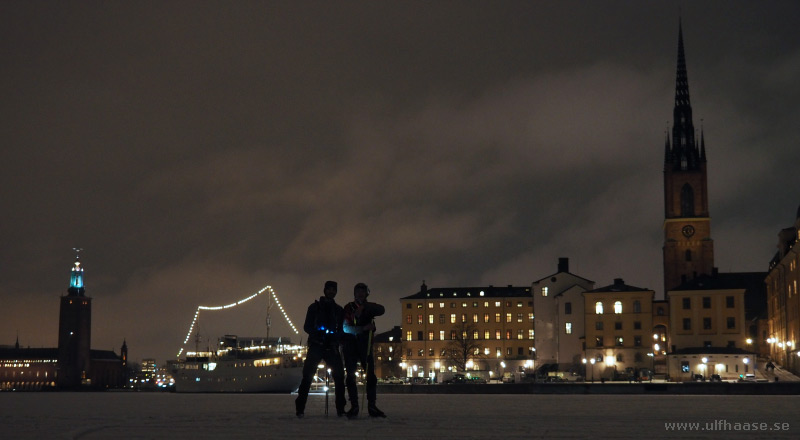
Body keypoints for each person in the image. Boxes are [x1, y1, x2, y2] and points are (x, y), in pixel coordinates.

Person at [295, 281, 346, 418]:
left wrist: (334, 337)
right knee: (307, 376)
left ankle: (341, 409)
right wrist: (318, 334)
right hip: (317, 344)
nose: (331, 292)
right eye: (329, 289)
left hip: (331, 346)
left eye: (333, 289)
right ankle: (300, 408)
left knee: (340, 377)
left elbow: (341, 330)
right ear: (325, 290)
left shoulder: (339, 310)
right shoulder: (314, 307)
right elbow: (307, 326)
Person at [341, 282, 386, 418]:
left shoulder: (370, 308)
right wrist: (363, 329)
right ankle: (354, 405)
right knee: (350, 376)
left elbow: (382, 310)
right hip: (351, 346)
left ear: (367, 293)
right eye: (358, 291)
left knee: (371, 377)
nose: (360, 294)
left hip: (365, 346)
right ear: (354, 294)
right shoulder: (348, 308)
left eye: (362, 291)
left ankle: (372, 406)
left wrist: (364, 307)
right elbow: (345, 328)